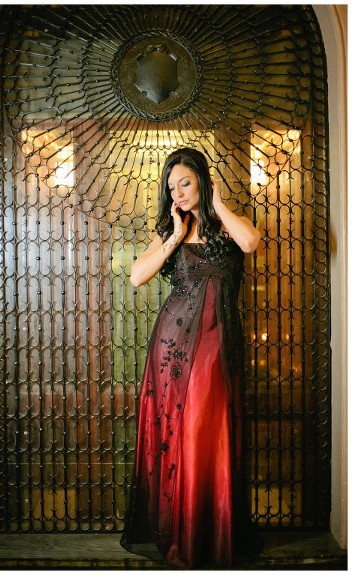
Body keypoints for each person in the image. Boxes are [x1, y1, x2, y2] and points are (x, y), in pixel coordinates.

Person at [120, 148, 262, 568]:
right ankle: (186, 537)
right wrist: (173, 241)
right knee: (186, 433)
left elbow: (251, 242)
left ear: (201, 179)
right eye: (171, 187)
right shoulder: (171, 230)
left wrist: (218, 205)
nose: (177, 193)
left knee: (209, 432)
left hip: (220, 342)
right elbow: (136, 276)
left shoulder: (229, 228)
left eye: (184, 183)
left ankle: (211, 534)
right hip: (174, 346)